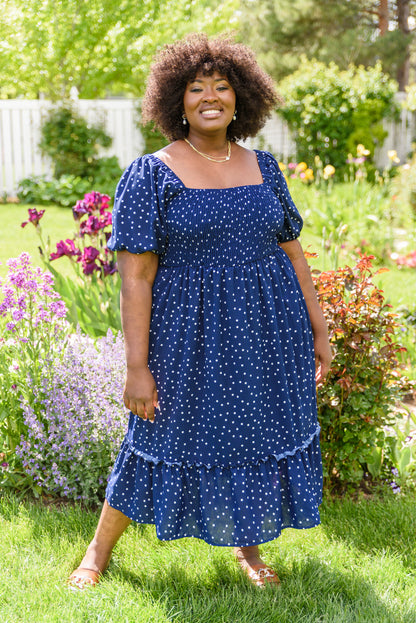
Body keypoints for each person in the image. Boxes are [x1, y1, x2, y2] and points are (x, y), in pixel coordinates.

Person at [68, 33, 332, 590]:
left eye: (222, 86)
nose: (210, 96)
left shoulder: (264, 167)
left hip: (267, 330)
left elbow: (293, 252)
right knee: (160, 437)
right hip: (187, 336)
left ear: (242, 99)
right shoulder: (152, 173)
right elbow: (135, 277)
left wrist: (318, 326)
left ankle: (249, 550)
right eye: (196, 88)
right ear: (176, 100)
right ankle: (96, 552)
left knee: (249, 435)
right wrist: (136, 366)